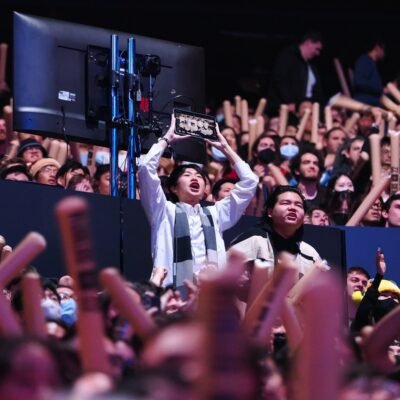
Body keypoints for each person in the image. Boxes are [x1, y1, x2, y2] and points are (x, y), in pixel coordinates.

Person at [138, 115, 258, 288]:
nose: (194, 178)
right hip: (171, 296)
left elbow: (250, 182)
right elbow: (145, 168)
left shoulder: (216, 214)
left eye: (199, 176)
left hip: (210, 297)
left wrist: (226, 149)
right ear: (173, 188)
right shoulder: (163, 211)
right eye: (187, 175)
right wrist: (166, 139)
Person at [229, 185, 321, 277]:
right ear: (270, 212)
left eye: (298, 205)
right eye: (285, 203)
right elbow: (225, 275)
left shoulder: (310, 254)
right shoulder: (253, 240)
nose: (292, 208)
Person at [267, 32, 324, 116]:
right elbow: (280, 81)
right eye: (317, 49)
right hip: (287, 109)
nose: (317, 53)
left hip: (305, 110)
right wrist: (291, 102)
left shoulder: (311, 67)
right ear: (308, 42)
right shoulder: (288, 57)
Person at [353, 41, 386, 106]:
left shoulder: (372, 64)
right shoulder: (365, 60)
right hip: (366, 101)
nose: (384, 54)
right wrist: (381, 90)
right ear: (377, 48)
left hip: (374, 100)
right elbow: (359, 82)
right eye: (384, 50)